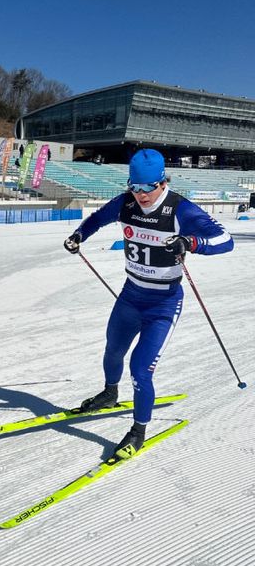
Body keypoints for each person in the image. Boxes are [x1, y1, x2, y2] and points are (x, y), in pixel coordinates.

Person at [63, 148, 233, 459]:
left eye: (147, 187)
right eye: (134, 186)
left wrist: (191, 242)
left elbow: (225, 239)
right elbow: (96, 219)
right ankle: (110, 393)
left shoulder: (180, 209)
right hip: (130, 296)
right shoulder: (125, 203)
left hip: (163, 304)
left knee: (140, 370)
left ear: (163, 183)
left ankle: (138, 431)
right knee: (112, 350)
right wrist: (78, 235)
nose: (140, 194)